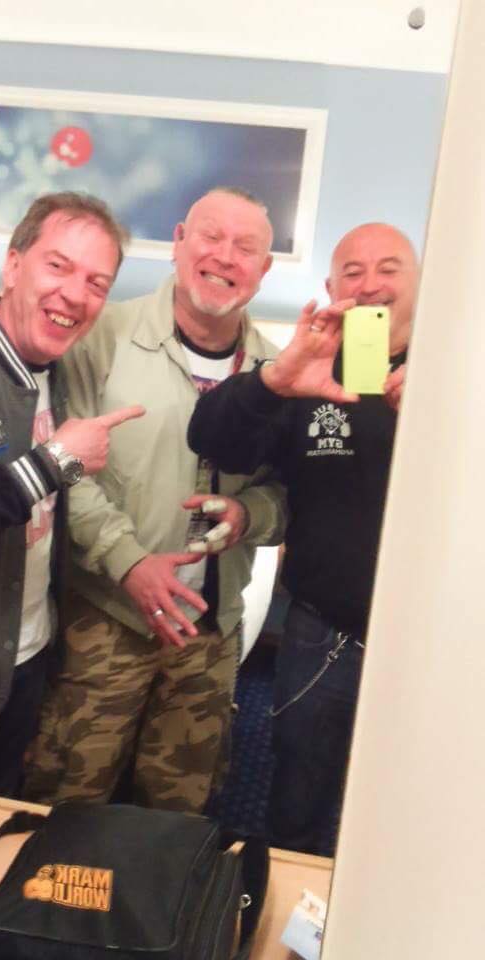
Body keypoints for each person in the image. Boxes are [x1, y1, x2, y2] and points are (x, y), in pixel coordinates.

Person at [24, 187, 287, 812]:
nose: (224, 256)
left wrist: (250, 514)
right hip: (107, 618)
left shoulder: (279, 372)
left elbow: (286, 494)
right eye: (210, 236)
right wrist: (130, 562)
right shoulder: (102, 336)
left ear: (264, 269)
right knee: (66, 805)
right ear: (178, 241)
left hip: (209, 634)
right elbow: (65, 467)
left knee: (177, 818)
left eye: (245, 247)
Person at [187, 222, 419, 855]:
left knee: (409, 809)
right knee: (297, 800)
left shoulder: (462, 373)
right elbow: (214, 441)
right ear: (331, 286)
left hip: (429, 642)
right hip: (323, 633)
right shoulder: (311, 369)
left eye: (389, 268)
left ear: (420, 282)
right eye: (352, 271)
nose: (370, 284)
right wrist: (273, 382)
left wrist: (444, 419)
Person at [0, 191, 144, 797]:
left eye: (96, 283)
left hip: (23, 666)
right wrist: (54, 462)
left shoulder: (59, 374)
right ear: (13, 265)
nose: (75, 294)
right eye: (58, 266)